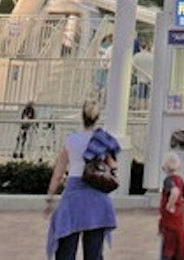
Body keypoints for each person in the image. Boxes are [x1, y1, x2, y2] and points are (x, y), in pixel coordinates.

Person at [44, 99, 118, 260]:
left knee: (66, 251)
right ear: (97, 117)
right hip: (97, 198)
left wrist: (50, 197)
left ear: (82, 116)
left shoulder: (71, 140)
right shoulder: (102, 140)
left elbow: (58, 173)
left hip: (73, 198)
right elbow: (113, 165)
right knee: (94, 253)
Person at [158, 151, 184, 260]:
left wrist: (170, 205)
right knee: (179, 243)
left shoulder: (168, 180)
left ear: (164, 167)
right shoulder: (180, 180)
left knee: (168, 247)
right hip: (179, 219)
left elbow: (174, 191)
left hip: (169, 220)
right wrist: (181, 204)